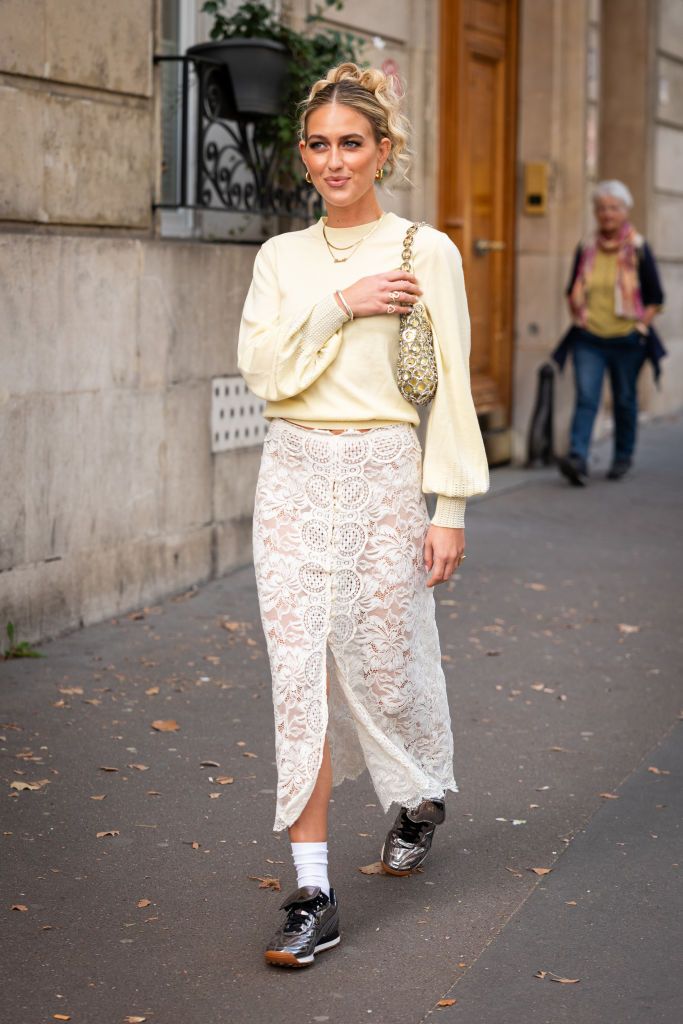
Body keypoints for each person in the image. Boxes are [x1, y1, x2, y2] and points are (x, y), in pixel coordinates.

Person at [237, 62, 489, 968]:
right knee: (299, 677)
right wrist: (340, 305)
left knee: (388, 667)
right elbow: (263, 373)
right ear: (302, 154)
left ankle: (419, 797)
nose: (333, 160)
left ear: (383, 150)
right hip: (294, 472)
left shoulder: (428, 252)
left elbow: (450, 385)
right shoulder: (280, 258)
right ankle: (312, 894)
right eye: (318, 144)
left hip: (385, 471)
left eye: (352, 143)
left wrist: (447, 504)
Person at [552, 179, 666, 485]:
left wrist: (641, 326)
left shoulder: (639, 248)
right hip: (589, 338)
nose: (607, 214)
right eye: (602, 208)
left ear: (625, 211)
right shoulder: (586, 247)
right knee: (587, 397)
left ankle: (622, 457)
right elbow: (571, 290)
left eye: (614, 208)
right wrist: (579, 317)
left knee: (625, 398)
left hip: (627, 339)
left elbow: (656, 297)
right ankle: (578, 458)